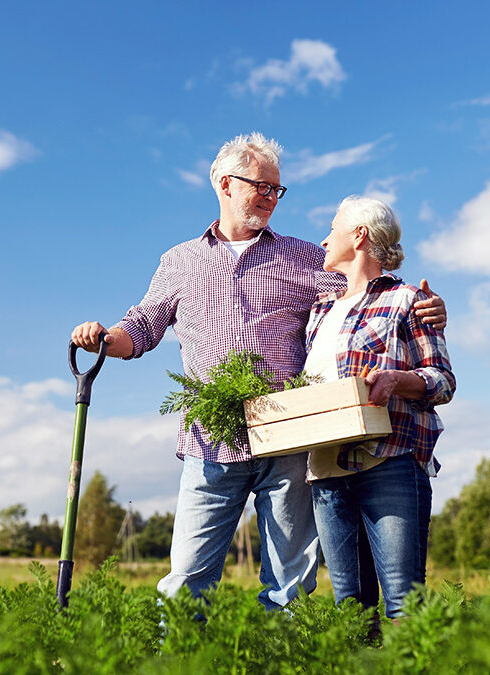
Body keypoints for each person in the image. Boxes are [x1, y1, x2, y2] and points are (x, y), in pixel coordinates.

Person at [71, 133, 447, 610]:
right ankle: (180, 659)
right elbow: (142, 327)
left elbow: (366, 292)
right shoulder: (180, 261)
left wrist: (425, 307)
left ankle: (282, 659)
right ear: (226, 184)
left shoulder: (304, 257)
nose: (271, 198)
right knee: (188, 576)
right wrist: (104, 339)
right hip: (210, 439)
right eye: (262, 186)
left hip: (286, 437)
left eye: (277, 190)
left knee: (290, 584)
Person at [304, 196, 455, 619]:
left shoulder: (408, 301)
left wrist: (396, 380)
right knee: (351, 613)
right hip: (326, 472)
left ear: (359, 235)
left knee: (403, 608)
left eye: (332, 227)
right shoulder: (319, 311)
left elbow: (442, 380)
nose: (323, 238)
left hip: (388, 461)